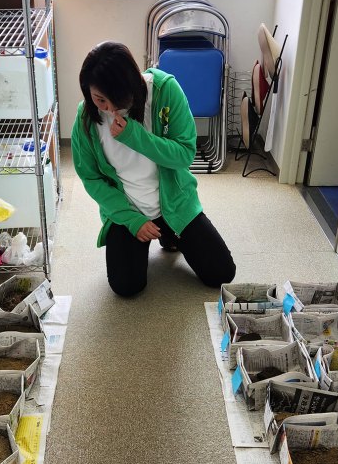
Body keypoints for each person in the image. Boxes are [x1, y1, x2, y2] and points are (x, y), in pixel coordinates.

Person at [71, 41, 236, 297]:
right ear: (87, 90)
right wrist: (133, 220)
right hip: (127, 209)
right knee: (126, 287)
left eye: (118, 100)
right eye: (100, 99)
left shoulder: (165, 90)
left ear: (134, 84)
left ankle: (169, 234)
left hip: (175, 203)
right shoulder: (85, 119)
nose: (111, 109)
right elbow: (91, 179)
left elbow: (184, 154)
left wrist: (135, 136)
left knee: (221, 273)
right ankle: (155, 235)